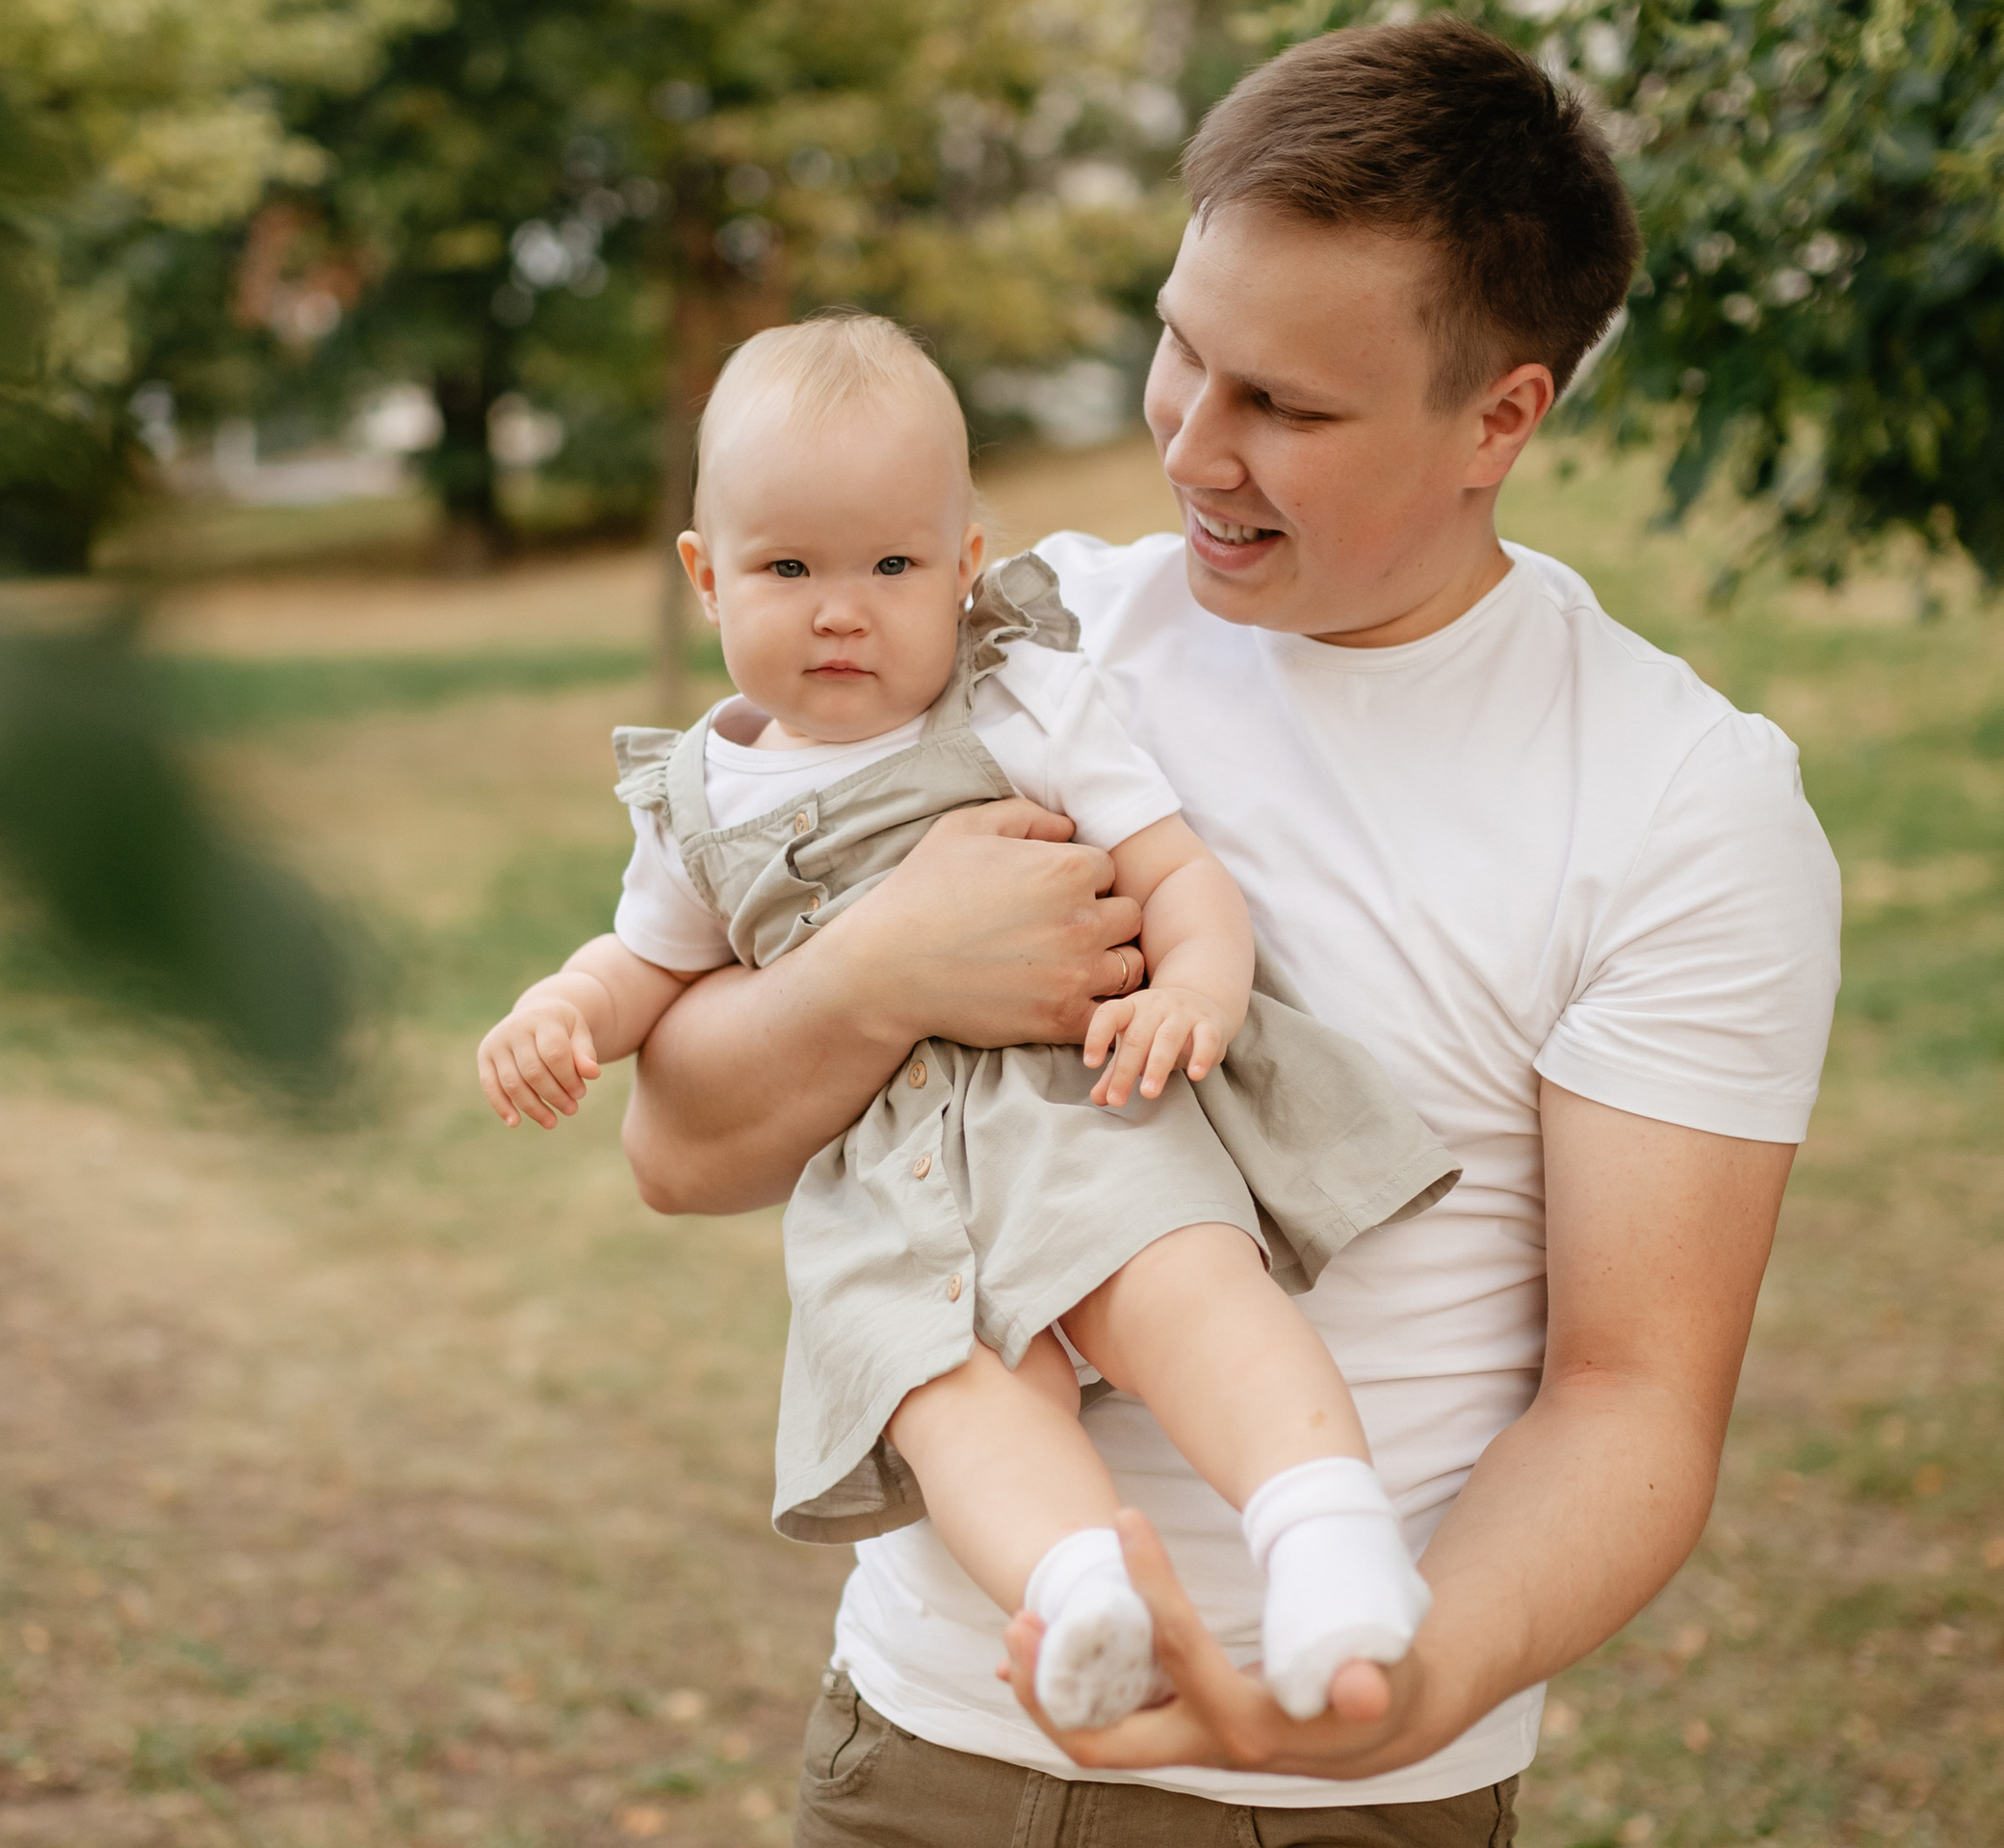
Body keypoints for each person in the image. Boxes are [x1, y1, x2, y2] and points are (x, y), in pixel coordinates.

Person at [620, 19, 1842, 1848]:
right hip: (913, 1766)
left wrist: (1378, 1691)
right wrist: (887, 964)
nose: (1194, 446)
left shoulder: (1675, 806)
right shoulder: (1023, 633)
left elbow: (1639, 1402)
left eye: (1288, 399)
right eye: (1180, 352)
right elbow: (700, 1138)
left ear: (1507, 410)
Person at [476, 312, 1455, 1731]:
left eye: (890, 565)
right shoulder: (700, 796)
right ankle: (1079, 1594)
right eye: (787, 567)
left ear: (963, 565)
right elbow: (647, 967)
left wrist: (1193, 987)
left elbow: (1180, 872)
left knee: (1183, 1289)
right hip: (887, 1186)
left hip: (1065, 1105)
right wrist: (560, 1009)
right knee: (948, 1393)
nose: (840, 609)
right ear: (706, 576)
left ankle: (1324, 1542)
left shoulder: (1021, 700)